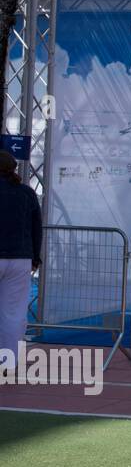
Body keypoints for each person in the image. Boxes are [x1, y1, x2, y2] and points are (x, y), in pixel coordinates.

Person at [0, 151, 41, 365]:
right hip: (20, 257)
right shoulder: (27, 193)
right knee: (14, 313)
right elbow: (36, 228)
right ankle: (8, 362)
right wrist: (35, 257)